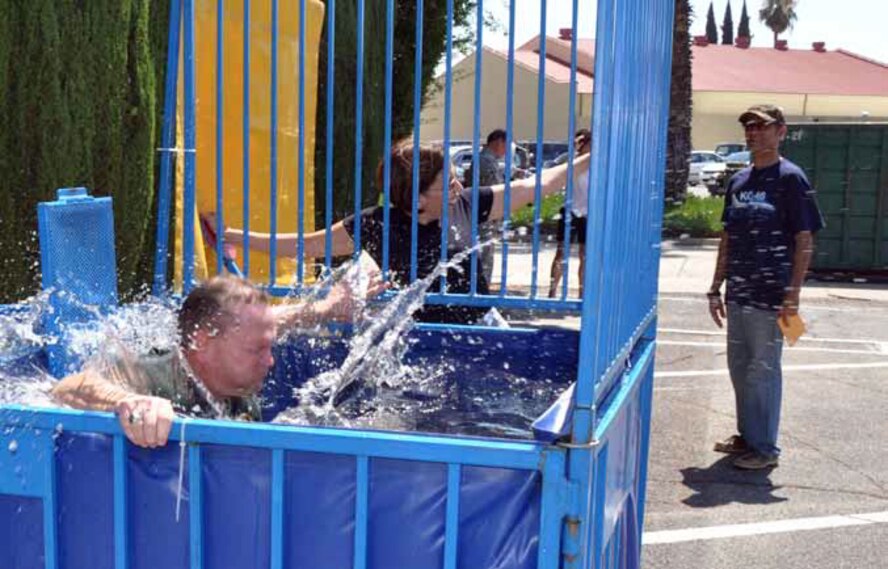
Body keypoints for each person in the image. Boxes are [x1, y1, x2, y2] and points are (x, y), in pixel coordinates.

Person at [216, 139, 591, 324]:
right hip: (423, 338)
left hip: (484, 325)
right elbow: (305, 246)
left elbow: (536, 186)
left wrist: (588, 158)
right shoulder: (378, 224)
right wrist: (230, 235)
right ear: (417, 199)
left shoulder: (466, 204)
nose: (459, 184)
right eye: (447, 181)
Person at [51, 273, 385, 448]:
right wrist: (131, 402)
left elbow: (265, 324)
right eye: (256, 351)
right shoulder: (161, 374)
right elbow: (70, 386)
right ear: (201, 340)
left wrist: (325, 310)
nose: (269, 362)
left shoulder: (233, 364)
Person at [707, 104, 824, 470]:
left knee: (764, 371)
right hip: (739, 293)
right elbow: (727, 237)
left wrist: (793, 296)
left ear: (781, 132)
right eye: (749, 127)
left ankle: (764, 449)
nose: (754, 133)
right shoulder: (739, 181)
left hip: (772, 296)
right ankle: (748, 436)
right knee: (740, 369)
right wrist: (715, 287)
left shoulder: (791, 179)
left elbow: (805, 240)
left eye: (762, 126)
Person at [547, 129, 592, 298]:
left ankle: (582, 293)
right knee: (561, 252)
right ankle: (552, 291)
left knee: (585, 254)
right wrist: (575, 149)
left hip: (589, 213)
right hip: (570, 210)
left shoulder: (597, 163)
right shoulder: (572, 162)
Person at [463, 129, 508, 287]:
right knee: (483, 256)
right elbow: (493, 190)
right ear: (499, 142)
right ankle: (480, 290)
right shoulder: (485, 161)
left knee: (484, 255)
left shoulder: (487, 160)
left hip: (484, 216)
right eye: (506, 145)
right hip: (483, 216)